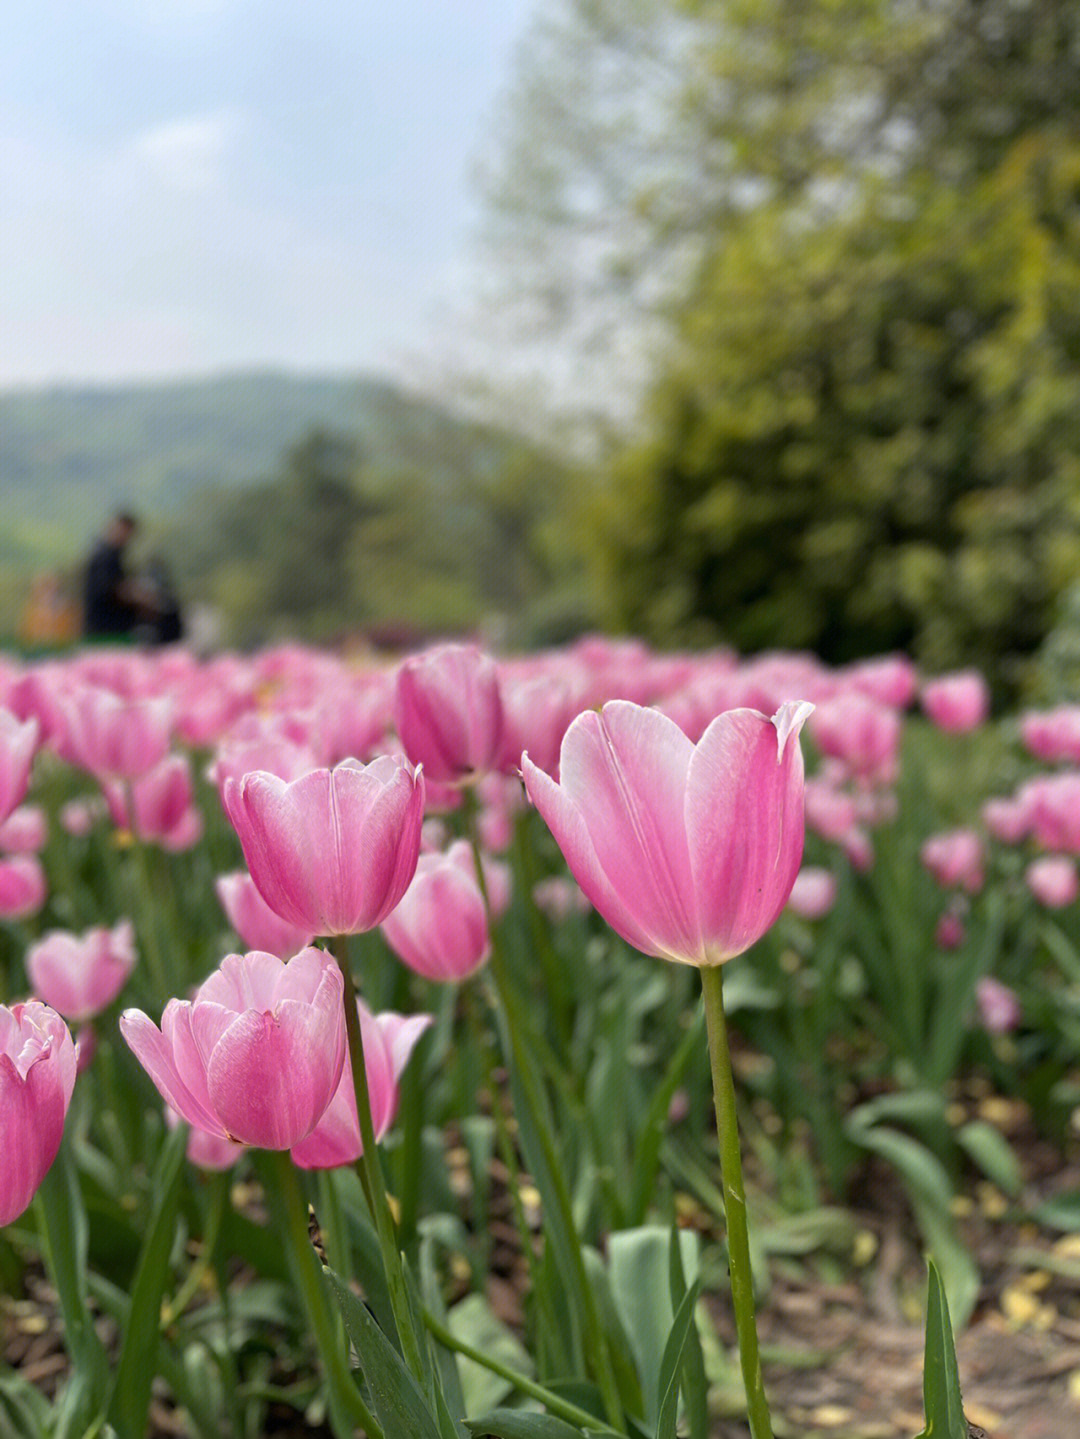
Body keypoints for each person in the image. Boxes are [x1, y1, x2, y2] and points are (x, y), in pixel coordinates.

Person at [82, 512, 146, 640]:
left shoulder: (114, 555)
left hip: (114, 627)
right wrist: (139, 599)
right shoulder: (104, 556)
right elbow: (110, 590)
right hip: (104, 629)